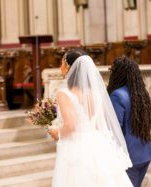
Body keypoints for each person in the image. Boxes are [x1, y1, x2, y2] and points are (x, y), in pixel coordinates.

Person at [48, 49, 133, 187]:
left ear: (69, 66)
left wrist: (57, 133)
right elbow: (99, 124)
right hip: (98, 143)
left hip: (76, 147)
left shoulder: (64, 93)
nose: (60, 66)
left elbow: (71, 125)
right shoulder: (96, 92)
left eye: (62, 63)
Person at [107, 56, 151, 187]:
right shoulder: (140, 93)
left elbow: (114, 127)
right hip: (145, 152)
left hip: (129, 156)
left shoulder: (117, 95)